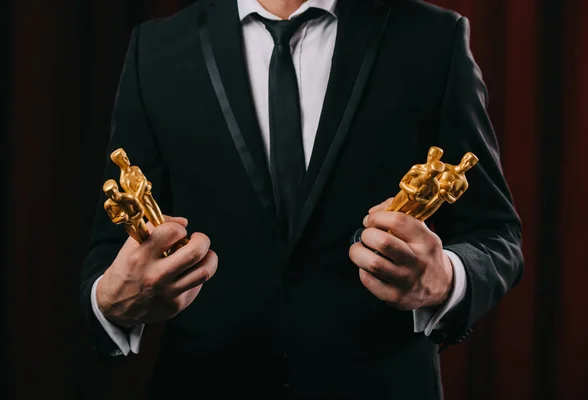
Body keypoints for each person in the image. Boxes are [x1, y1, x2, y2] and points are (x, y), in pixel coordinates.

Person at [80, 0, 524, 398]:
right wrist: (110, 303)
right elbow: (111, 247)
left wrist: (446, 279)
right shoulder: (155, 49)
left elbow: (494, 233)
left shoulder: (433, 38)